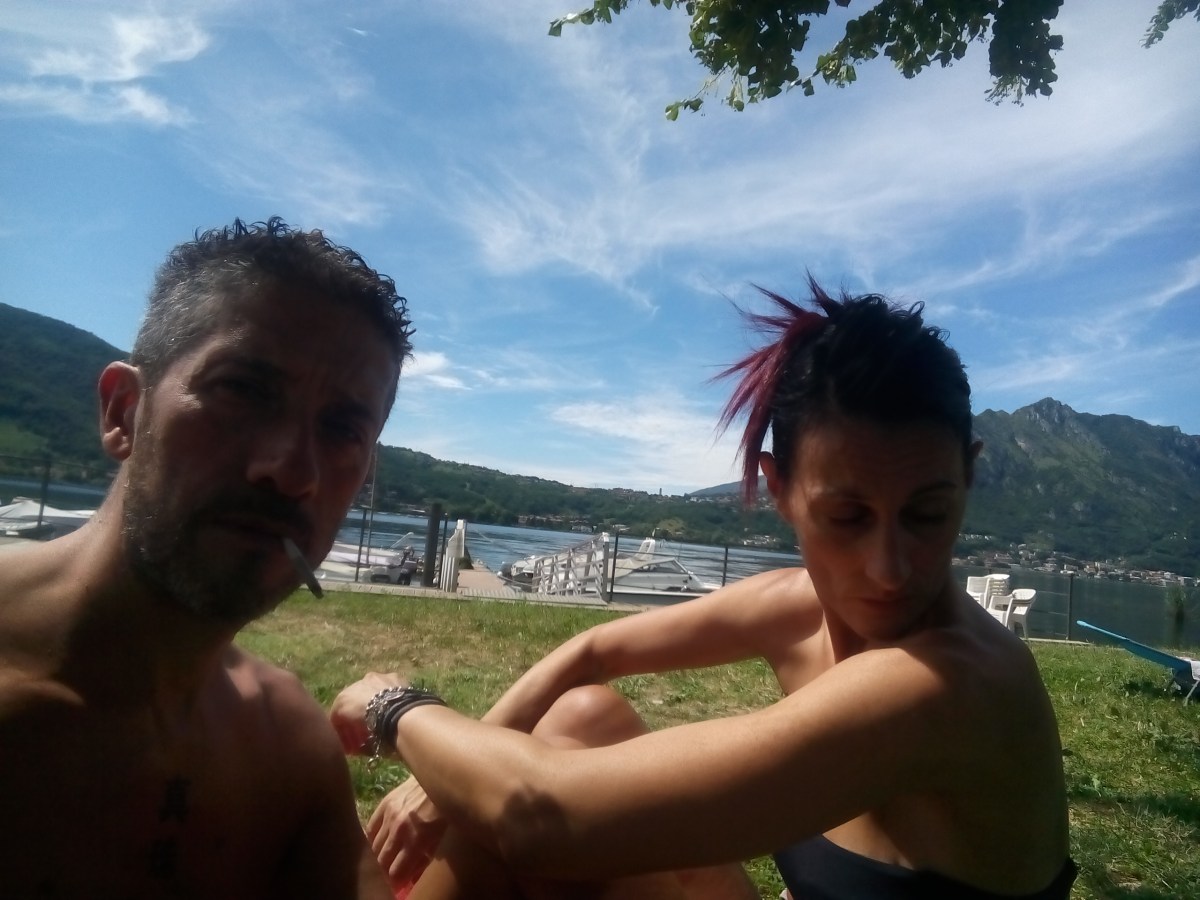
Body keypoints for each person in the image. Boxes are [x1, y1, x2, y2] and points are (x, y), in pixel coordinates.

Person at [331, 279, 1076, 900]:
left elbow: (539, 817)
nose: (889, 567)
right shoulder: (799, 609)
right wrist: (441, 784)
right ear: (780, 490)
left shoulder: (944, 684)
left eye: (928, 514)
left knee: (504, 820)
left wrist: (392, 707)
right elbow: (593, 651)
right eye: (847, 517)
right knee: (582, 715)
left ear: (968, 475)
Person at [0, 218, 411, 898]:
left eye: (342, 428)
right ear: (124, 412)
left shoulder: (286, 743)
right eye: (242, 389)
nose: (291, 470)